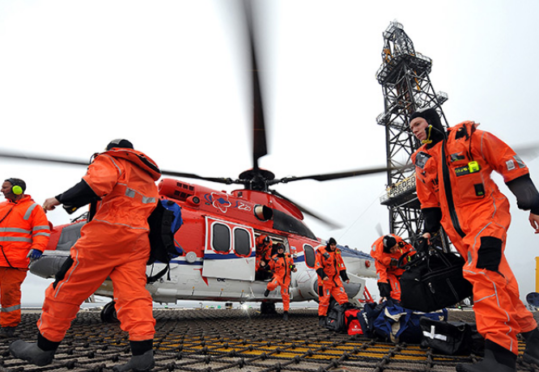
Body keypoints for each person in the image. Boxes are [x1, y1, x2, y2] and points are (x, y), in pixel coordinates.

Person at [10, 139, 161, 372]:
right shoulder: (148, 180)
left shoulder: (112, 159)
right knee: (133, 296)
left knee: (66, 287)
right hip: (138, 241)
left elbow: (94, 185)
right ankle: (142, 354)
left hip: (107, 235)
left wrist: (58, 199)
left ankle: (43, 348)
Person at [410, 108, 539, 372]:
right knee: (499, 281)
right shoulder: (423, 162)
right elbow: (428, 201)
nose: (414, 129)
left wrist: (533, 203)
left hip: (486, 214)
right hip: (457, 230)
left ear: (432, 122)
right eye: (410, 127)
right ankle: (534, 339)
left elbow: (507, 161)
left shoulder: (469, 139)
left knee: (480, 272)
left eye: (418, 123)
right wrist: (427, 231)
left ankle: (500, 356)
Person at [0, 178, 49, 338]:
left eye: (5, 187)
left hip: (15, 261)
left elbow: (41, 231)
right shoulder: (2, 207)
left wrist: (37, 248)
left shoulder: (33, 208)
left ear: (17, 190)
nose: (2, 190)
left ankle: (8, 326)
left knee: (9, 293)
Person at [315, 237, 350, 327]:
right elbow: (318, 266)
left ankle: (344, 317)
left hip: (336, 280)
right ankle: (322, 318)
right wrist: (324, 276)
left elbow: (341, 266)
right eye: (332, 245)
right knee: (324, 300)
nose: (333, 247)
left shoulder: (337, 253)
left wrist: (345, 277)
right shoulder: (321, 253)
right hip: (325, 281)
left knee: (343, 297)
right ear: (328, 245)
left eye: (334, 245)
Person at [370, 234, 415, 303]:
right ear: (387, 249)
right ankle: (398, 306)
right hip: (390, 273)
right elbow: (381, 274)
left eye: (396, 247)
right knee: (396, 293)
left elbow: (410, 249)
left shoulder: (400, 242)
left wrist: (414, 256)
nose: (395, 250)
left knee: (411, 287)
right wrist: (383, 292)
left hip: (403, 268)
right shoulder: (380, 257)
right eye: (392, 249)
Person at [263, 243, 296, 320]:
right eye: (279, 250)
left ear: (283, 250)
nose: (280, 251)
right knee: (271, 285)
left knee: (285, 296)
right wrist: (265, 267)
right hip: (277, 276)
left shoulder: (288, 256)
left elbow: (291, 265)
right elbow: (271, 265)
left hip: (286, 279)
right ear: (277, 250)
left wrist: (293, 268)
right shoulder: (275, 258)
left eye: (281, 250)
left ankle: (285, 312)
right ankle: (268, 289)